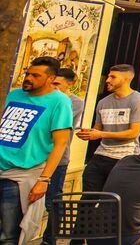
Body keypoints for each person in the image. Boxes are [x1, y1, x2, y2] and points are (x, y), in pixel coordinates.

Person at [0, 57, 73, 245]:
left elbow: (60, 144)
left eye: (35, 75)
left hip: (20, 176)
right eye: (27, 73)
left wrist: (43, 180)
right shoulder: (14, 95)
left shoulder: (60, 102)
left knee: (9, 234)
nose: (28, 78)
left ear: (50, 79)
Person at [77, 64, 140, 192]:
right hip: (101, 153)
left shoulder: (138, 100)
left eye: (113, 77)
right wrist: (88, 133)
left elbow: (133, 133)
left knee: (114, 197)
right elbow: (98, 129)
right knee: (89, 194)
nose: (107, 80)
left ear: (126, 79)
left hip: (125, 156)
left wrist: (100, 134)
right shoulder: (103, 102)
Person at [41, 68, 85, 245]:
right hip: (36, 158)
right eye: (52, 83)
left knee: (53, 200)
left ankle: (50, 239)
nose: (54, 87)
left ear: (70, 83)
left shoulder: (73, 102)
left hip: (58, 158)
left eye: (57, 83)